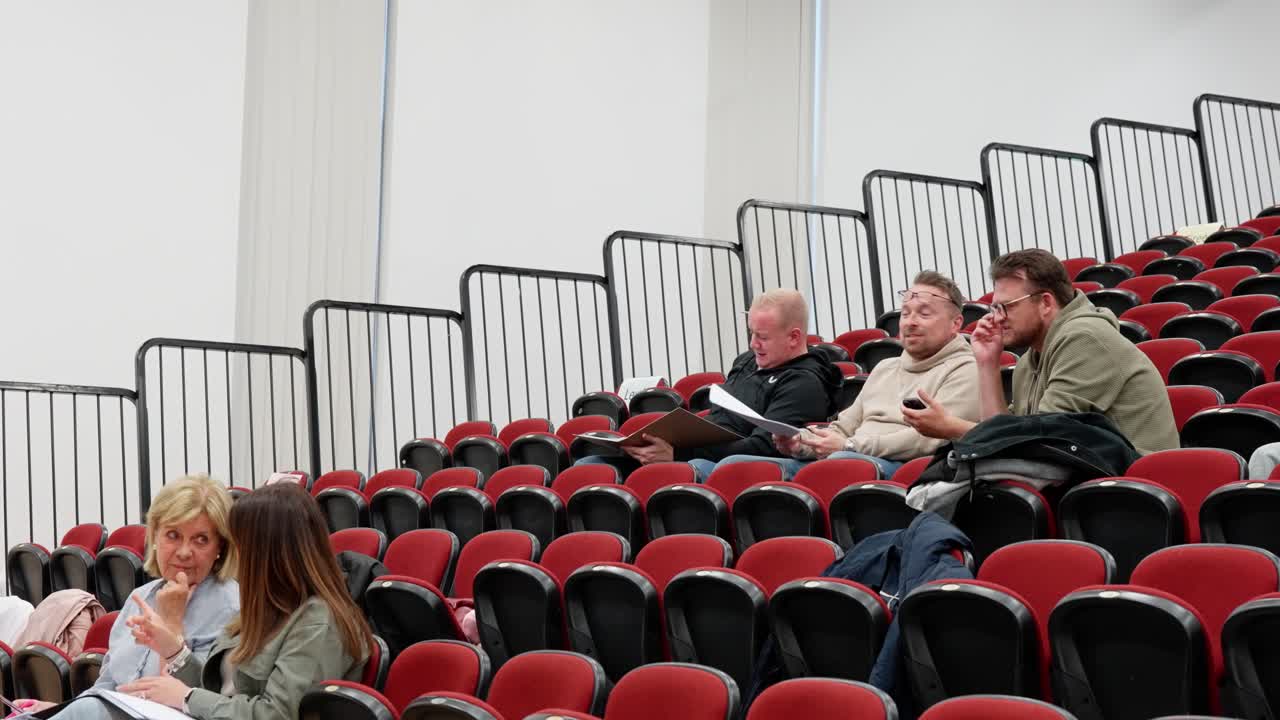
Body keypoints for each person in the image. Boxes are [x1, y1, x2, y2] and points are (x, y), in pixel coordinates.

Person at [55, 483, 371, 720]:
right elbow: (217, 691)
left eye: (241, 545)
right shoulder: (269, 608)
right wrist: (174, 650)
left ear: (268, 553)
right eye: (172, 535)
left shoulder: (317, 620)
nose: (236, 555)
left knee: (88, 712)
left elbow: (277, 714)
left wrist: (188, 696)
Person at [905, 248, 1179, 455]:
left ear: (1046, 303)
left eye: (1006, 307)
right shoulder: (1029, 361)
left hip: (1133, 493)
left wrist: (952, 427)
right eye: (995, 308)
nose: (997, 318)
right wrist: (988, 363)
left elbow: (1041, 438)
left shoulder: (1086, 338)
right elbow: (1006, 436)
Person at [711, 272, 981, 479]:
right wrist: (801, 442)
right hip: (851, 457)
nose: (910, 321)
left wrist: (851, 446)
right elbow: (843, 426)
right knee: (735, 466)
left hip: (900, 468)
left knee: (844, 465)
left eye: (924, 314)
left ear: (955, 324)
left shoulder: (965, 369)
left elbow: (929, 439)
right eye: (906, 312)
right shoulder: (886, 368)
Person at [30, 474, 239, 719]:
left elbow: (199, 702)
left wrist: (172, 623)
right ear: (154, 538)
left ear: (219, 549)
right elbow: (107, 686)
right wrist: (59, 708)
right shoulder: (140, 597)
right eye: (173, 535)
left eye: (201, 540)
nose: (184, 552)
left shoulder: (232, 608)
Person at [577, 288, 842, 481]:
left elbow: (764, 447)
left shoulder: (804, 383)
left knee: (683, 471)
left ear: (794, 337)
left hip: (725, 466)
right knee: (590, 466)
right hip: (698, 453)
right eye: (751, 334)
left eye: (762, 337)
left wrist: (677, 454)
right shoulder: (747, 361)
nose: (753, 344)